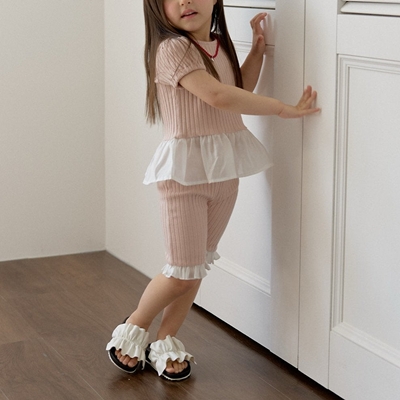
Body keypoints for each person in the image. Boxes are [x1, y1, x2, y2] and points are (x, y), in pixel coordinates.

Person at [106, 0, 320, 382]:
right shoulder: (172, 49)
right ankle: (134, 326)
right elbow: (218, 97)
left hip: (223, 172)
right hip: (184, 178)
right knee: (180, 271)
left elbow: (236, 90)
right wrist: (281, 109)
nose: (185, 1)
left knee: (196, 267)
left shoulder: (218, 44)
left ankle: (165, 339)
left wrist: (257, 51)